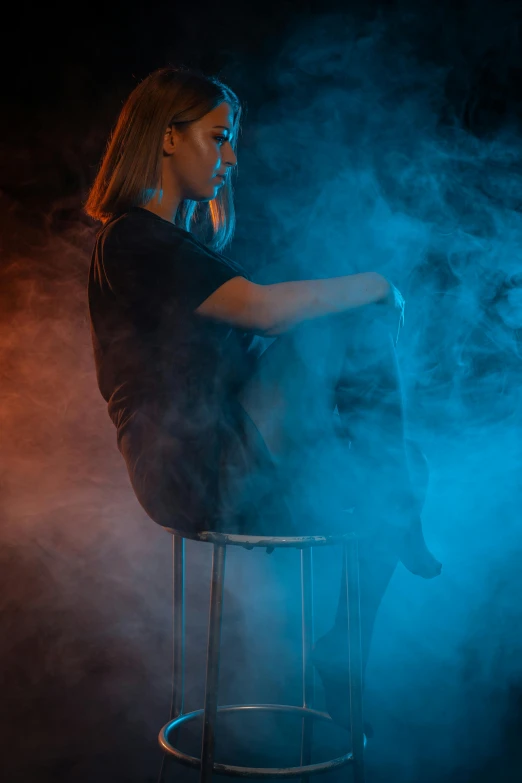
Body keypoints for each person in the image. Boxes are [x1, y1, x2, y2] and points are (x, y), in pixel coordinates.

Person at [85, 65, 441, 732]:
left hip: (230, 454)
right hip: (192, 468)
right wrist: (374, 283)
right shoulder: (134, 237)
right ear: (167, 137)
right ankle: (396, 509)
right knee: (354, 318)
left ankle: (344, 645)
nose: (232, 156)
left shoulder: (177, 247)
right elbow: (263, 311)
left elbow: (249, 349)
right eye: (218, 137)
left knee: (407, 462)